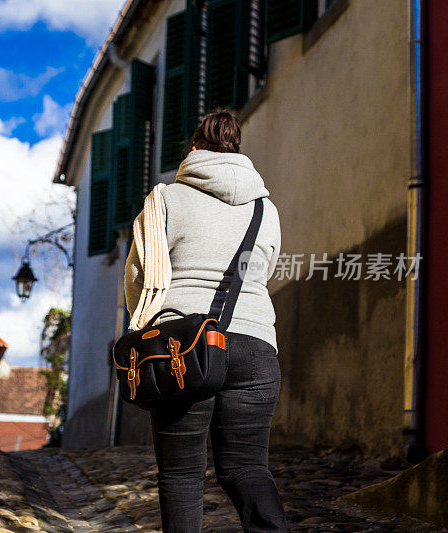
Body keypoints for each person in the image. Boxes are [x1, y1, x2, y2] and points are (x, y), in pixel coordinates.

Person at [124, 109, 287, 532]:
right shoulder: (265, 208)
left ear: (193, 150)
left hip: (184, 346)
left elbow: (139, 278)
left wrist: (144, 329)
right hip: (255, 346)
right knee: (247, 467)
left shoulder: (165, 198)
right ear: (236, 151)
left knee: (181, 476)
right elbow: (263, 270)